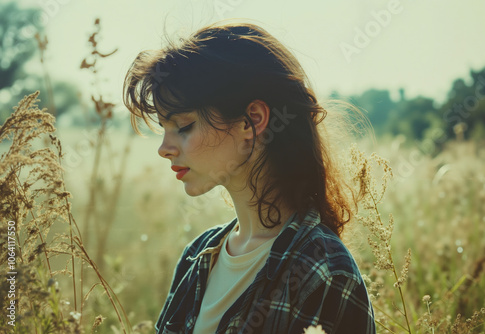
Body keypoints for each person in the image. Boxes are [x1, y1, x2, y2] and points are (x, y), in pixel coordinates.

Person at [123, 20, 376, 334]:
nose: (164, 149)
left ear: (252, 121)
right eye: (164, 129)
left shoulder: (324, 272)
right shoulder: (197, 256)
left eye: (184, 126)